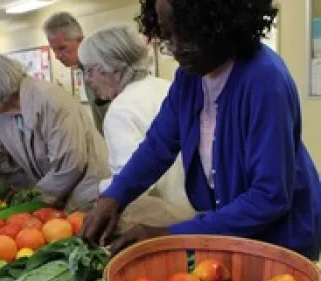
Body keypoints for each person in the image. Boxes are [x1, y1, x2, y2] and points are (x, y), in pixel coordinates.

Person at [78, 0, 321, 260]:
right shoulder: (189, 77)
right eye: (167, 34)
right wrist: (114, 197)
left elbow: (269, 196)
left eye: (188, 32)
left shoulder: (264, 79)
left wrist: (170, 235)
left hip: (281, 241)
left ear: (220, 23)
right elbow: (158, 145)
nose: (176, 48)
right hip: (232, 234)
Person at [0, 53, 109, 210]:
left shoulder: (49, 100)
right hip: (56, 195)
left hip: (90, 194)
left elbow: (69, 165)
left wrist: (34, 198)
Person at [77, 24, 192, 211]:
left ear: (109, 68)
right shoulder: (167, 87)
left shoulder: (120, 110)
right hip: (196, 209)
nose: (88, 80)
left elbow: (134, 182)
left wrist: (99, 189)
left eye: (90, 70)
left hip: (165, 215)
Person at [43, 11, 109, 134]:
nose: (57, 56)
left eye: (62, 48)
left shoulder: (101, 70)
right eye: (54, 50)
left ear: (80, 41)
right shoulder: (85, 70)